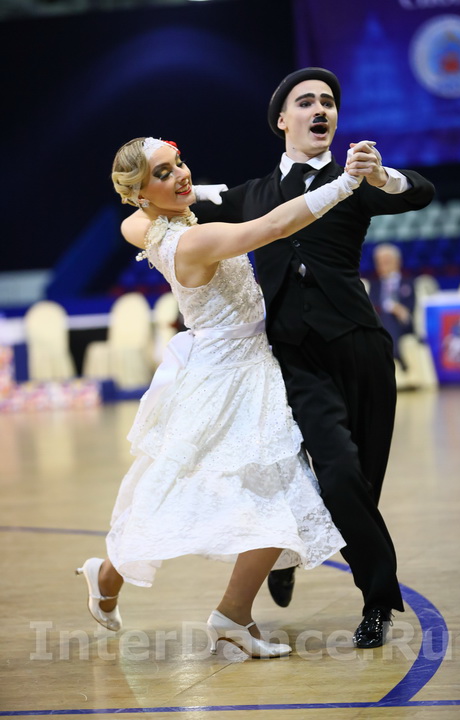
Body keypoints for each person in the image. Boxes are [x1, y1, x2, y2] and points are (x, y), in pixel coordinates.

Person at [123, 68, 435, 649]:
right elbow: (143, 219)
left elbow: (420, 192)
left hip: (360, 347)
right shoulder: (251, 194)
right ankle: (377, 602)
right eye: (306, 101)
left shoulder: (355, 179)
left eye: (328, 102)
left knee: (363, 484)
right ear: (282, 120)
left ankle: (286, 554)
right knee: (337, 474)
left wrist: (382, 175)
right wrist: (185, 194)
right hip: (294, 357)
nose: (321, 109)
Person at [76, 135, 369, 659]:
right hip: (230, 376)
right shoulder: (193, 240)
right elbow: (272, 227)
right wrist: (344, 185)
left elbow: (128, 223)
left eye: (179, 163)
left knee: (232, 491)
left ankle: (180, 598)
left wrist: (190, 194)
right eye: (163, 173)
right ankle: (217, 610)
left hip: (236, 364)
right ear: (140, 192)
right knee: (259, 493)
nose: (180, 174)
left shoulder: (146, 226)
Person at [369, 243, 416, 370]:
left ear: (397, 261)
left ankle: (391, 355)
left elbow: (412, 308)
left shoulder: (409, 283)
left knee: (389, 317)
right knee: (384, 317)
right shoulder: (374, 285)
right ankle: (396, 355)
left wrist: (400, 311)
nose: (382, 265)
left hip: (402, 322)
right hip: (380, 321)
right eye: (379, 262)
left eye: (387, 261)